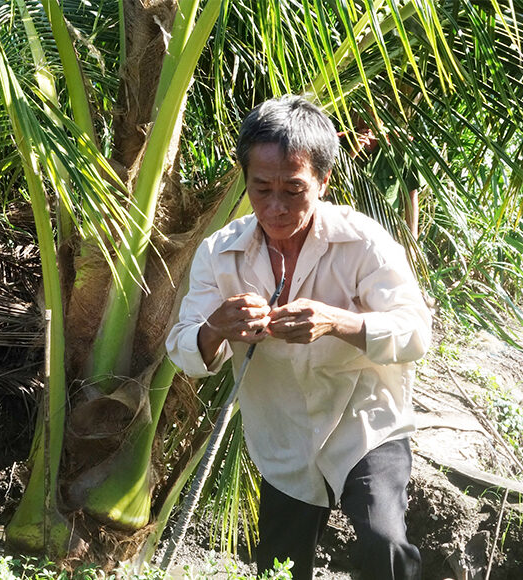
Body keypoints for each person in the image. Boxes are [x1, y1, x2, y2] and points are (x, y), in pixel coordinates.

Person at [166, 95, 431, 580]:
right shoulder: (218, 253)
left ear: (323, 182)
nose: (275, 206)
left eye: (293, 189)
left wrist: (337, 321)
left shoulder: (363, 242)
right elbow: (184, 347)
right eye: (261, 188)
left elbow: (416, 333)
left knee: (384, 544)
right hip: (281, 436)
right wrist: (217, 327)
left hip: (365, 424)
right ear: (244, 179)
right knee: (280, 571)